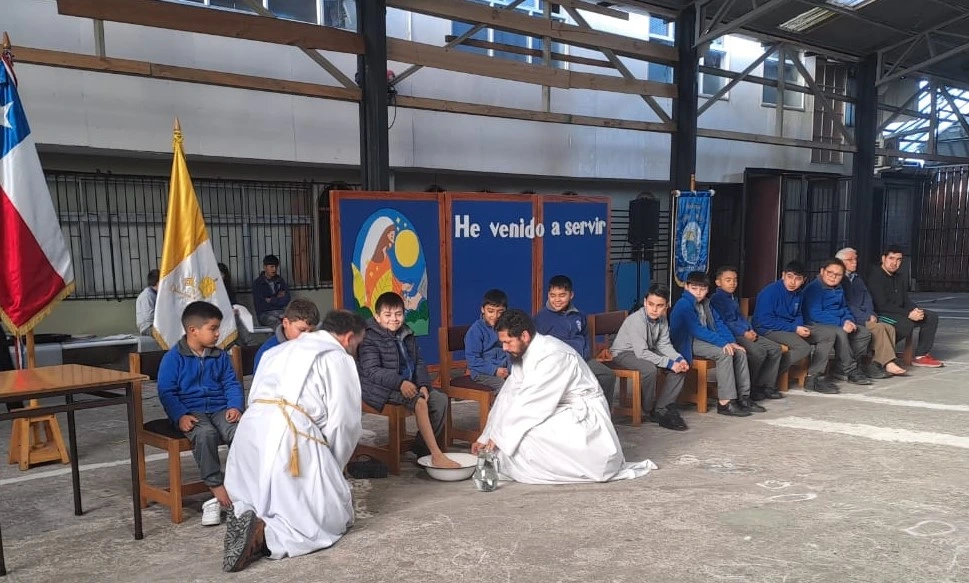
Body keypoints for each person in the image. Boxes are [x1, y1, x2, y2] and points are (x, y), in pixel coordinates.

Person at [222, 310, 366, 573]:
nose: (356, 350)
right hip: (290, 435)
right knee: (330, 516)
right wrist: (333, 465)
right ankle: (267, 536)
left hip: (249, 434)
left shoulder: (277, 350)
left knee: (259, 494)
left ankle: (246, 515)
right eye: (358, 344)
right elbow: (344, 422)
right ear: (348, 338)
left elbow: (254, 395)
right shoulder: (337, 358)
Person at [473, 309, 656, 483]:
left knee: (526, 437)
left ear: (525, 336)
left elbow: (532, 405)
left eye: (507, 342)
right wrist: (487, 435)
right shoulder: (521, 354)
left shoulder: (553, 355)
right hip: (554, 406)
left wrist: (499, 437)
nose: (504, 348)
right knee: (512, 439)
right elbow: (508, 395)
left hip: (583, 414)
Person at [156, 301, 243, 525]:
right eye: (213, 328)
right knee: (205, 434)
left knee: (240, 432)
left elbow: (231, 383)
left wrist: (235, 406)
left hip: (220, 408)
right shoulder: (173, 358)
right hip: (191, 411)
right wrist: (180, 415)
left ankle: (241, 484)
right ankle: (216, 485)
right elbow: (166, 391)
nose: (218, 333)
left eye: (218, 328)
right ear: (193, 330)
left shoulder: (220, 356)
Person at [357, 291, 457, 469]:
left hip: (408, 384)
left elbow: (418, 361)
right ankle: (436, 455)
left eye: (398, 314)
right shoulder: (369, 336)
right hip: (378, 389)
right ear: (377, 316)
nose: (393, 319)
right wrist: (400, 383)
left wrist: (424, 384)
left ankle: (422, 448)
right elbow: (372, 371)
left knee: (439, 399)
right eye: (388, 315)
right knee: (419, 402)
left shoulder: (406, 332)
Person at [670, 271, 761, 417]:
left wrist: (731, 341)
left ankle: (743, 397)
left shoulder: (706, 303)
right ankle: (725, 402)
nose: (698, 293)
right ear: (686, 287)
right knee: (724, 353)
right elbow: (696, 330)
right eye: (694, 288)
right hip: (687, 341)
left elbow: (718, 323)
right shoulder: (683, 304)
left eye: (702, 289)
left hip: (705, 339)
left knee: (739, 351)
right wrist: (722, 343)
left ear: (707, 289)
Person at [610, 284, 689, 431]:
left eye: (659, 306)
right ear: (645, 302)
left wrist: (678, 359)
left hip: (648, 350)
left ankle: (662, 407)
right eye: (651, 304)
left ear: (666, 306)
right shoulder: (636, 320)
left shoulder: (663, 318)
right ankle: (648, 408)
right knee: (649, 369)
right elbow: (641, 353)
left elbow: (664, 345)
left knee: (680, 369)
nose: (654, 309)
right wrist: (669, 363)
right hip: (624, 352)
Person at [753, 261, 839, 394]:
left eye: (798, 279)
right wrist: (794, 329)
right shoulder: (770, 292)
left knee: (827, 335)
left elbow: (798, 314)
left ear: (803, 280)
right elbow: (764, 320)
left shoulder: (798, 293)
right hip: (769, 329)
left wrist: (799, 326)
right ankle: (767, 378)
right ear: (783, 275)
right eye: (789, 277)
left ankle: (813, 377)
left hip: (790, 327)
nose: (793, 282)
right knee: (803, 348)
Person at [534, 275, 617, 405]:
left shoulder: (579, 315)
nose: (557, 300)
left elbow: (586, 338)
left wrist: (585, 356)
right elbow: (537, 347)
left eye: (562, 295)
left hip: (582, 360)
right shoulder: (541, 318)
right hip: (558, 364)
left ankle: (602, 414)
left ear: (571, 295)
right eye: (552, 295)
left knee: (607, 375)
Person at [710, 266, 784, 400]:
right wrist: (744, 333)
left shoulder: (732, 298)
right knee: (758, 352)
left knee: (775, 349)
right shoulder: (716, 299)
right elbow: (724, 323)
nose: (732, 283)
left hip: (746, 332)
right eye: (728, 280)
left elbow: (741, 317)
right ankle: (749, 387)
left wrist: (750, 329)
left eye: (735, 280)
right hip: (734, 335)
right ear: (718, 282)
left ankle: (765, 385)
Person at [867, 245, 944, 367]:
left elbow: (905, 300)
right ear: (883, 258)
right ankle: (879, 350)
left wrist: (915, 310)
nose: (894, 263)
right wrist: (908, 314)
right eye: (891, 258)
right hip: (881, 313)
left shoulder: (899, 277)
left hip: (899, 312)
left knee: (930, 316)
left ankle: (921, 355)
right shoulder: (875, 276)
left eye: (898, 259)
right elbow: (882, 305)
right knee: (905, 324)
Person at [802, 258, 873, 386]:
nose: (833, 277)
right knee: (840, 333)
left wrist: (848, 320)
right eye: (830, 273)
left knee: (864, 333)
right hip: (815, 324)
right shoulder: (814, 288)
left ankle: (840, 367)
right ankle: (850, 370)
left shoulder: (839, 288)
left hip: (838, 322)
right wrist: (841, 322)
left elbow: (844, 308)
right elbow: (816, 314)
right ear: (822, 271)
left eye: (838, 275)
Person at [837, 247, 907, 377]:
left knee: (889, 328)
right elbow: (845, 304)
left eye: (855, 259)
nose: (854, 262)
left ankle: (877, 364)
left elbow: (867, 298)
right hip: (852, 318)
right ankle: (887, 363)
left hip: (865, 315)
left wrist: (871, 314)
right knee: (879, 328)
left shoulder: (856, 278)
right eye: (850, 260)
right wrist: (865, 317)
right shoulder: (839, 279)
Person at [253, 298, 321, 372]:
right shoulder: (268, 352)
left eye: (311, 331)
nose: (307, 336)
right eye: (302, 330)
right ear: (285, 323)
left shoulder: (318, 347)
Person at [464, 289, 511, 390]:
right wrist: (495, 370)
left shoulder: (507, 328)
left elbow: (511, 352)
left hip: (505, 370)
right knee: (503, 386)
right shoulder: (476, 330)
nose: (495, 316)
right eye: (490, 311)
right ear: (482, 309)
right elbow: (473, 360)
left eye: (500, 312)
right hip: (482, 373)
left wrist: (511, 370)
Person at [252, 254, 291, 328]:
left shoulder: (280, 280)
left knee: (293, 321)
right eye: (272, 267)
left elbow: (287, 299)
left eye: (276, 267)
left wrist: (271, 299)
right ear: (265, 267)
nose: (274, 269)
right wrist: (277, 298)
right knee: (277, 323)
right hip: (265, 314)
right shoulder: (258, 283)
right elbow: (261, 304)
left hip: (280, 312)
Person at [218, 262, 252, 347]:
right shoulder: (210, 288)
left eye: (222, 274)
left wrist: (232, 309)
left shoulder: (227, 287)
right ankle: (247, 342)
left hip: (228, 312)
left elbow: (233, 301)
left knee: (236, 317)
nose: (220, 277)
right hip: (216, 313)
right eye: (218, 274)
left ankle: (243, 343)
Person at [135, 269, 159, 336]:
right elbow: (149, 317)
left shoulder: (154, 294)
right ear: (158, 283)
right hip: (148, 328)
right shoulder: (147, 295)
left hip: (154, 327)